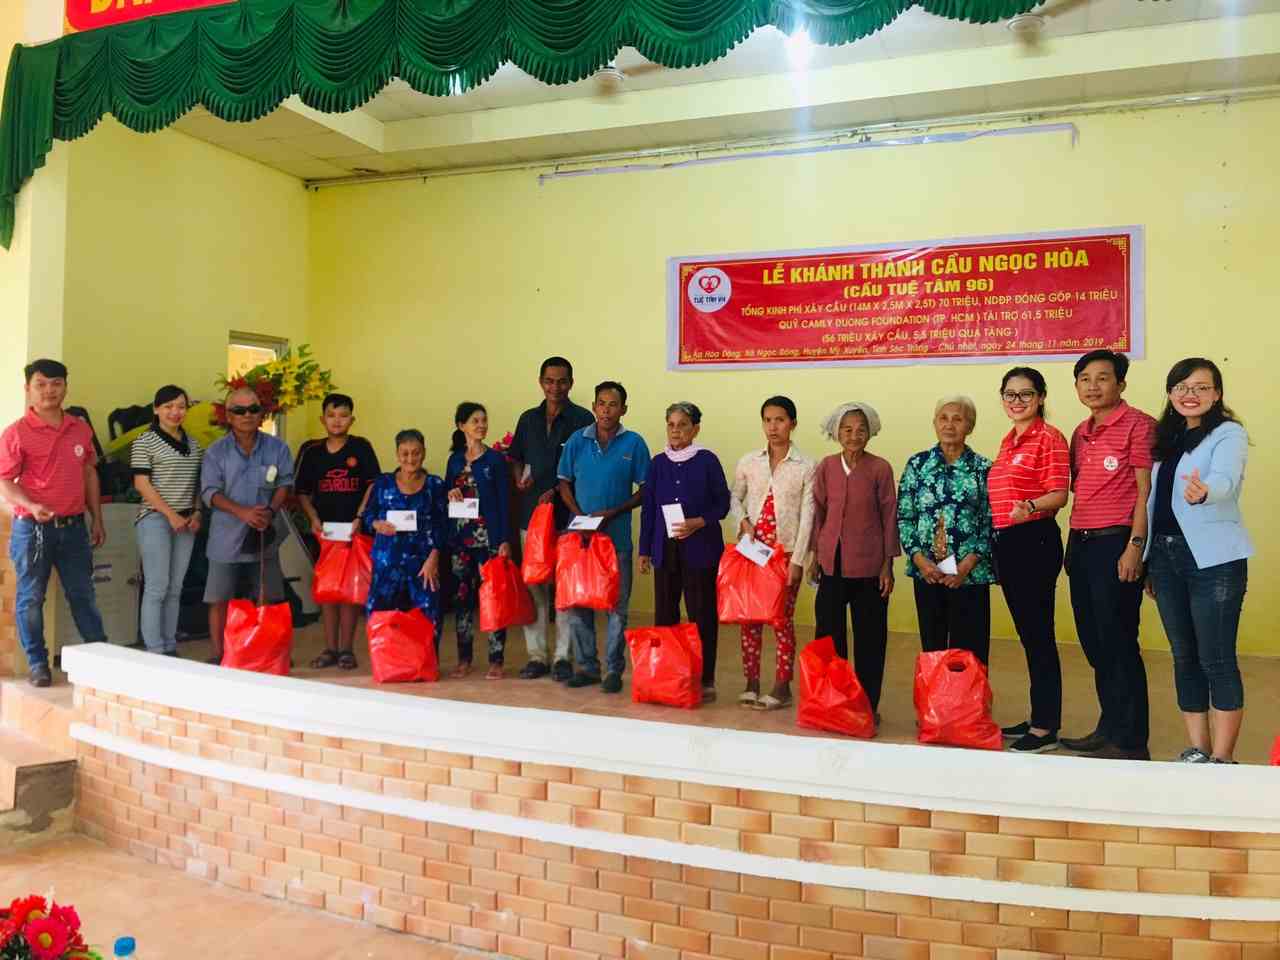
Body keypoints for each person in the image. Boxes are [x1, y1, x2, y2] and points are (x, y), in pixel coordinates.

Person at [1145, 358, 1251, 764]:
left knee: (1216, 658)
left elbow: (1225, 478)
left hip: (1213, 560)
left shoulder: (1228, 433)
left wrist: (1206, 491)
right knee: (1184, 656)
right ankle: (1199, 749)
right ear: (1171, 393)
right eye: (1181, 387)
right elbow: (1154, 502)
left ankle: (1223, 758)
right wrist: (1149, 558)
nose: (1190, 395)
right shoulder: (1167, 438)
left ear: (1217, 394)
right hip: (1165, 557)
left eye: (1201, 387)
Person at [1061, 350, 1156, 761]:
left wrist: (1135, 547)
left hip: (1116, 544)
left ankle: (1131, 741)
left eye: (1103, 377)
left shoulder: (1139, 425)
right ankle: (1109, 727)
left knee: (1118, 641)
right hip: (1081, 544)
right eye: (1084, 378)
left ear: (1121, 383)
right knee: (1094, 641)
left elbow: (1146, 492)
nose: (1093, 386)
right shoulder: (1080, 432)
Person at [0, 359, 109, 687]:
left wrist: (97, 518)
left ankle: (102, 660)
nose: (49, 390)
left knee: (83, 594)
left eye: (56, 383)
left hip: (74, 528)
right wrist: (31, 505)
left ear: (65, 387)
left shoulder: (80, 428)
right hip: (32, 530)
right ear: (28, 389)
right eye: (41, 384)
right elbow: (4, 481)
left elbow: (89, 473)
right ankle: (38, 664)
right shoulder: (16, 432)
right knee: (31, 598)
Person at [986, 369, 1070, 753]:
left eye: (1026, 394)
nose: (1017, 401)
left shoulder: (1049, 438)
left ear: (1041, 397)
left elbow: (1059, 493)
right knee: (1029, 636)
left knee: (1039, 637)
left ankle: (1045, 727)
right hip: (1009, 543)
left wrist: (1031, 506)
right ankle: (1039, 714)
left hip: (1034, 540)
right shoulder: (1009, 441)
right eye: (1010, 394)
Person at [557, 381, 650, 693]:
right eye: (601, 403)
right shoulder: (577, 440)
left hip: (616, 539)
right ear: (594, 407)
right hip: (581, 540)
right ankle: (587, 667)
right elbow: (564, 483)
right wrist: (580, 516)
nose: (606, 410)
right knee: (579, 602)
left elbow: (645, 490)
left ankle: (613, 670)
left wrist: (612, 512)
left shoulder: (634, 443)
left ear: (624, 409)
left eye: (613, 404)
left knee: (617, 606)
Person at [508, 356, 595, 681]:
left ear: (570, 383)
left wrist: (558, 491)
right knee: (535, 586)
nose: (555, 387)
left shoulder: (583, 419)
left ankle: (562, 658)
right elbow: (516, 458)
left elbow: (586, 469)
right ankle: (536, 656)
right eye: (549, 381)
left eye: (561, 381)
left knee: (565, 589)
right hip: (531, 518)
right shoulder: (528, 419)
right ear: (541, 382)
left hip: (566, 517)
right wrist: (519, 479)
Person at [810, 402, 898, 717]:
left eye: (861, 429)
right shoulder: (827, 466)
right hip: (831, 564)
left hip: (870, 567)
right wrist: (814, 556)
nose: (854, 435)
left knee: (870, 639)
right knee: (828, 637)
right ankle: (833, 700)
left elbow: (890, 516)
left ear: (870, 432)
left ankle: (866, 706)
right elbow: (818, 512)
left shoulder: (880, 468)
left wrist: (888, 565)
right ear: (837, 433)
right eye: (847, 429)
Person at [638, 402, 730, 702]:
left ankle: (705, 679)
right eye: (671, 424)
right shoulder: (657, 463)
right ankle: (667, 675)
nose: (676, 430)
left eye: (683, 425)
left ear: (695, 429)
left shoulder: (707, 461)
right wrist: (644, 550)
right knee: (665, 613)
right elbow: (649, 510)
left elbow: (723, 503)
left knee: (701, 615)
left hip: (700, 549)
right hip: (665, 549)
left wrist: (699, 522)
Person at [729, 396, 816, 711]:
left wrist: (799, 561)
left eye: (780, 420)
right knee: (749, 618)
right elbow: (734, 498)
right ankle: (751, 682)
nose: (773, 426)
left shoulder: (806, 466)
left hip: (785, 554)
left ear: (793, 423)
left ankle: (782, 686)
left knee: (781, 620)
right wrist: (743, 521)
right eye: (767, 420)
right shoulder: (749, 461)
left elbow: (809, 517)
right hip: (752, 553)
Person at [897, 396, 996, 665]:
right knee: (934, 649)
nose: (949, 425)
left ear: (970, 426)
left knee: (970, 654)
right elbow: (905, 516)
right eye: (943, 418)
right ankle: (936, 696)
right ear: (934, 423)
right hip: (927, 572)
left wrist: (966, 566)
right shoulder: (917, 465)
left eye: (958, 419)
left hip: (969, 575)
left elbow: (992, 521)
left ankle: (968, 696)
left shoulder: (983, 469)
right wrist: (920, 560)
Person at [200, 386, 294, 665]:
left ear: (261, 413)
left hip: (264, 533)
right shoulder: (216, 452)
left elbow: (285, 483)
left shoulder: (278, 448)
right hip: (226, 536)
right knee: (219, 598)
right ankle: (220, 656)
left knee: (269, 597)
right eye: (239, 410)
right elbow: (209, 493)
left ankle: (269, 653)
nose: (247, 415)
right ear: (228, 416)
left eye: (253, 409)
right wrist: (242, 512)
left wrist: (270, 511)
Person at [295, 393, 381, 671]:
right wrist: (313, 518)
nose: (337, 421)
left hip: (354, 532)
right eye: (331, 415)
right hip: (324, 534)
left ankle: (346, 649)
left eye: (343, 415)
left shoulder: (361, 447)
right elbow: (302, 492)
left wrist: (360, 516)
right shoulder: (312, 452)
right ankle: (329, 648)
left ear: (352, 420)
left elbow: (374, 485)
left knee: (350, 591)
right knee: (328, 591)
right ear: (322, 419)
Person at [130, 385, 204, 658]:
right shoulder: (145, 441)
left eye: (181, 406)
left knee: (175, 588)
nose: (175, 412)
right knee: (157, 586)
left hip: (186, 521)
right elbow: (141, 483)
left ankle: (170, 646)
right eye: (168, 406)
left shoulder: (194, 444)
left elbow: (199, 484)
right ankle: (155, 649)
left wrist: (197, 513)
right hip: (155, 519)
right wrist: (171, 515)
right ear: (156, 409)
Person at [445, 402, 513, 680]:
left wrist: (504, 539)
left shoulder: (495, 460)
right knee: (462, 601)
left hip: (489, 541)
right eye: (475, 421)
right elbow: (447, 494)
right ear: (461, 426)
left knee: (493, 599)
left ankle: (496, 660)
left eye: (484, 420)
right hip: (460, 542)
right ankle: (464, 659)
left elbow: (505, 502)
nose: (481, 425)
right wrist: (450, 493)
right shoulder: (454, 460)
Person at [360, 430, 448, 632]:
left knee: (428, 621)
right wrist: (377, 524)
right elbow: (368, 514)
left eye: (416, 453)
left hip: (423, 564)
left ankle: (424, 656)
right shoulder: (383, 483)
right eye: (405, 453)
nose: (410, 459)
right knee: (383, 621)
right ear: (397, 455)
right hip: (387, 563)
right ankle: (389, 655)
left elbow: (443, 524)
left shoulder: (434, 485)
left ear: (424, 453)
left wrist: (434, 557)